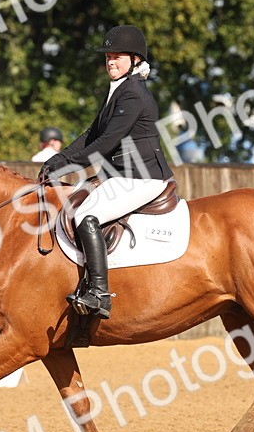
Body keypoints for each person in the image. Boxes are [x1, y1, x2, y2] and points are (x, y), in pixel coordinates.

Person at [37, 25, 173, 319]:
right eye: (108, 56)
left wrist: (65, 165)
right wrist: (58, 160)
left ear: (135, 60)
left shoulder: (134, 94)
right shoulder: (119, 90)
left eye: (118, 57)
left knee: (88, 217)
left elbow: (107, 141)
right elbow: (91, 134)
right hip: (121, 174)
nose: (111, 61)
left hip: (142, 177)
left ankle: (98, 293)